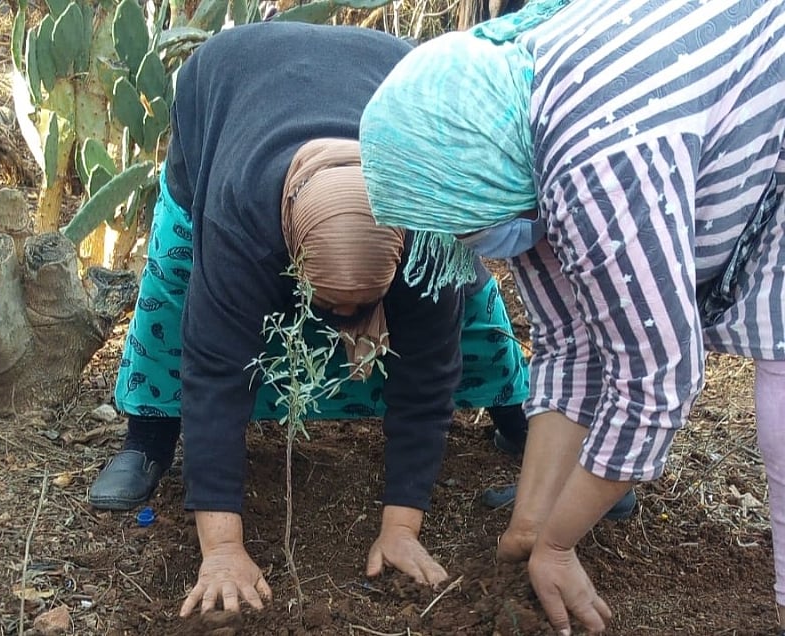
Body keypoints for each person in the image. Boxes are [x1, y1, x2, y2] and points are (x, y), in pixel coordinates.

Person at [357, 0, 785, 633]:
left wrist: (558, 547)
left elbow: (658, 379)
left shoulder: (594, 161)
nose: (473, 244)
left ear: (479, 177)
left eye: (466, 225)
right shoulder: (512, 140)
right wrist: (530, 525)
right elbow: (568, 347)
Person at [87, 21, 535, 617]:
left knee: (471, 302)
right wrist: (221, 548)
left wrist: (401, 527)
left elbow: (427, 377)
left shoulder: (429, 224)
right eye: (326, 306)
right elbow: (215, 372)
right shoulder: (237, 218)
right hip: (229, 84)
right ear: (290, 258)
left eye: (361, 308)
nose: (340, 326)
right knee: (173, 284)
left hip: (385, 75)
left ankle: (516, 417)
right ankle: (149, 434)